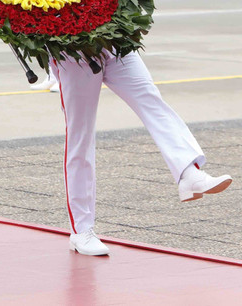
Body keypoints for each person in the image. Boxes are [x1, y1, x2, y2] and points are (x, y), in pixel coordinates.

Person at [51, 50, 232, 256]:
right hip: (72, 52)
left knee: (151, 101)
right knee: (80, 135)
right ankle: (81, 230)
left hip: (115, 44)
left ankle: (188, 174)